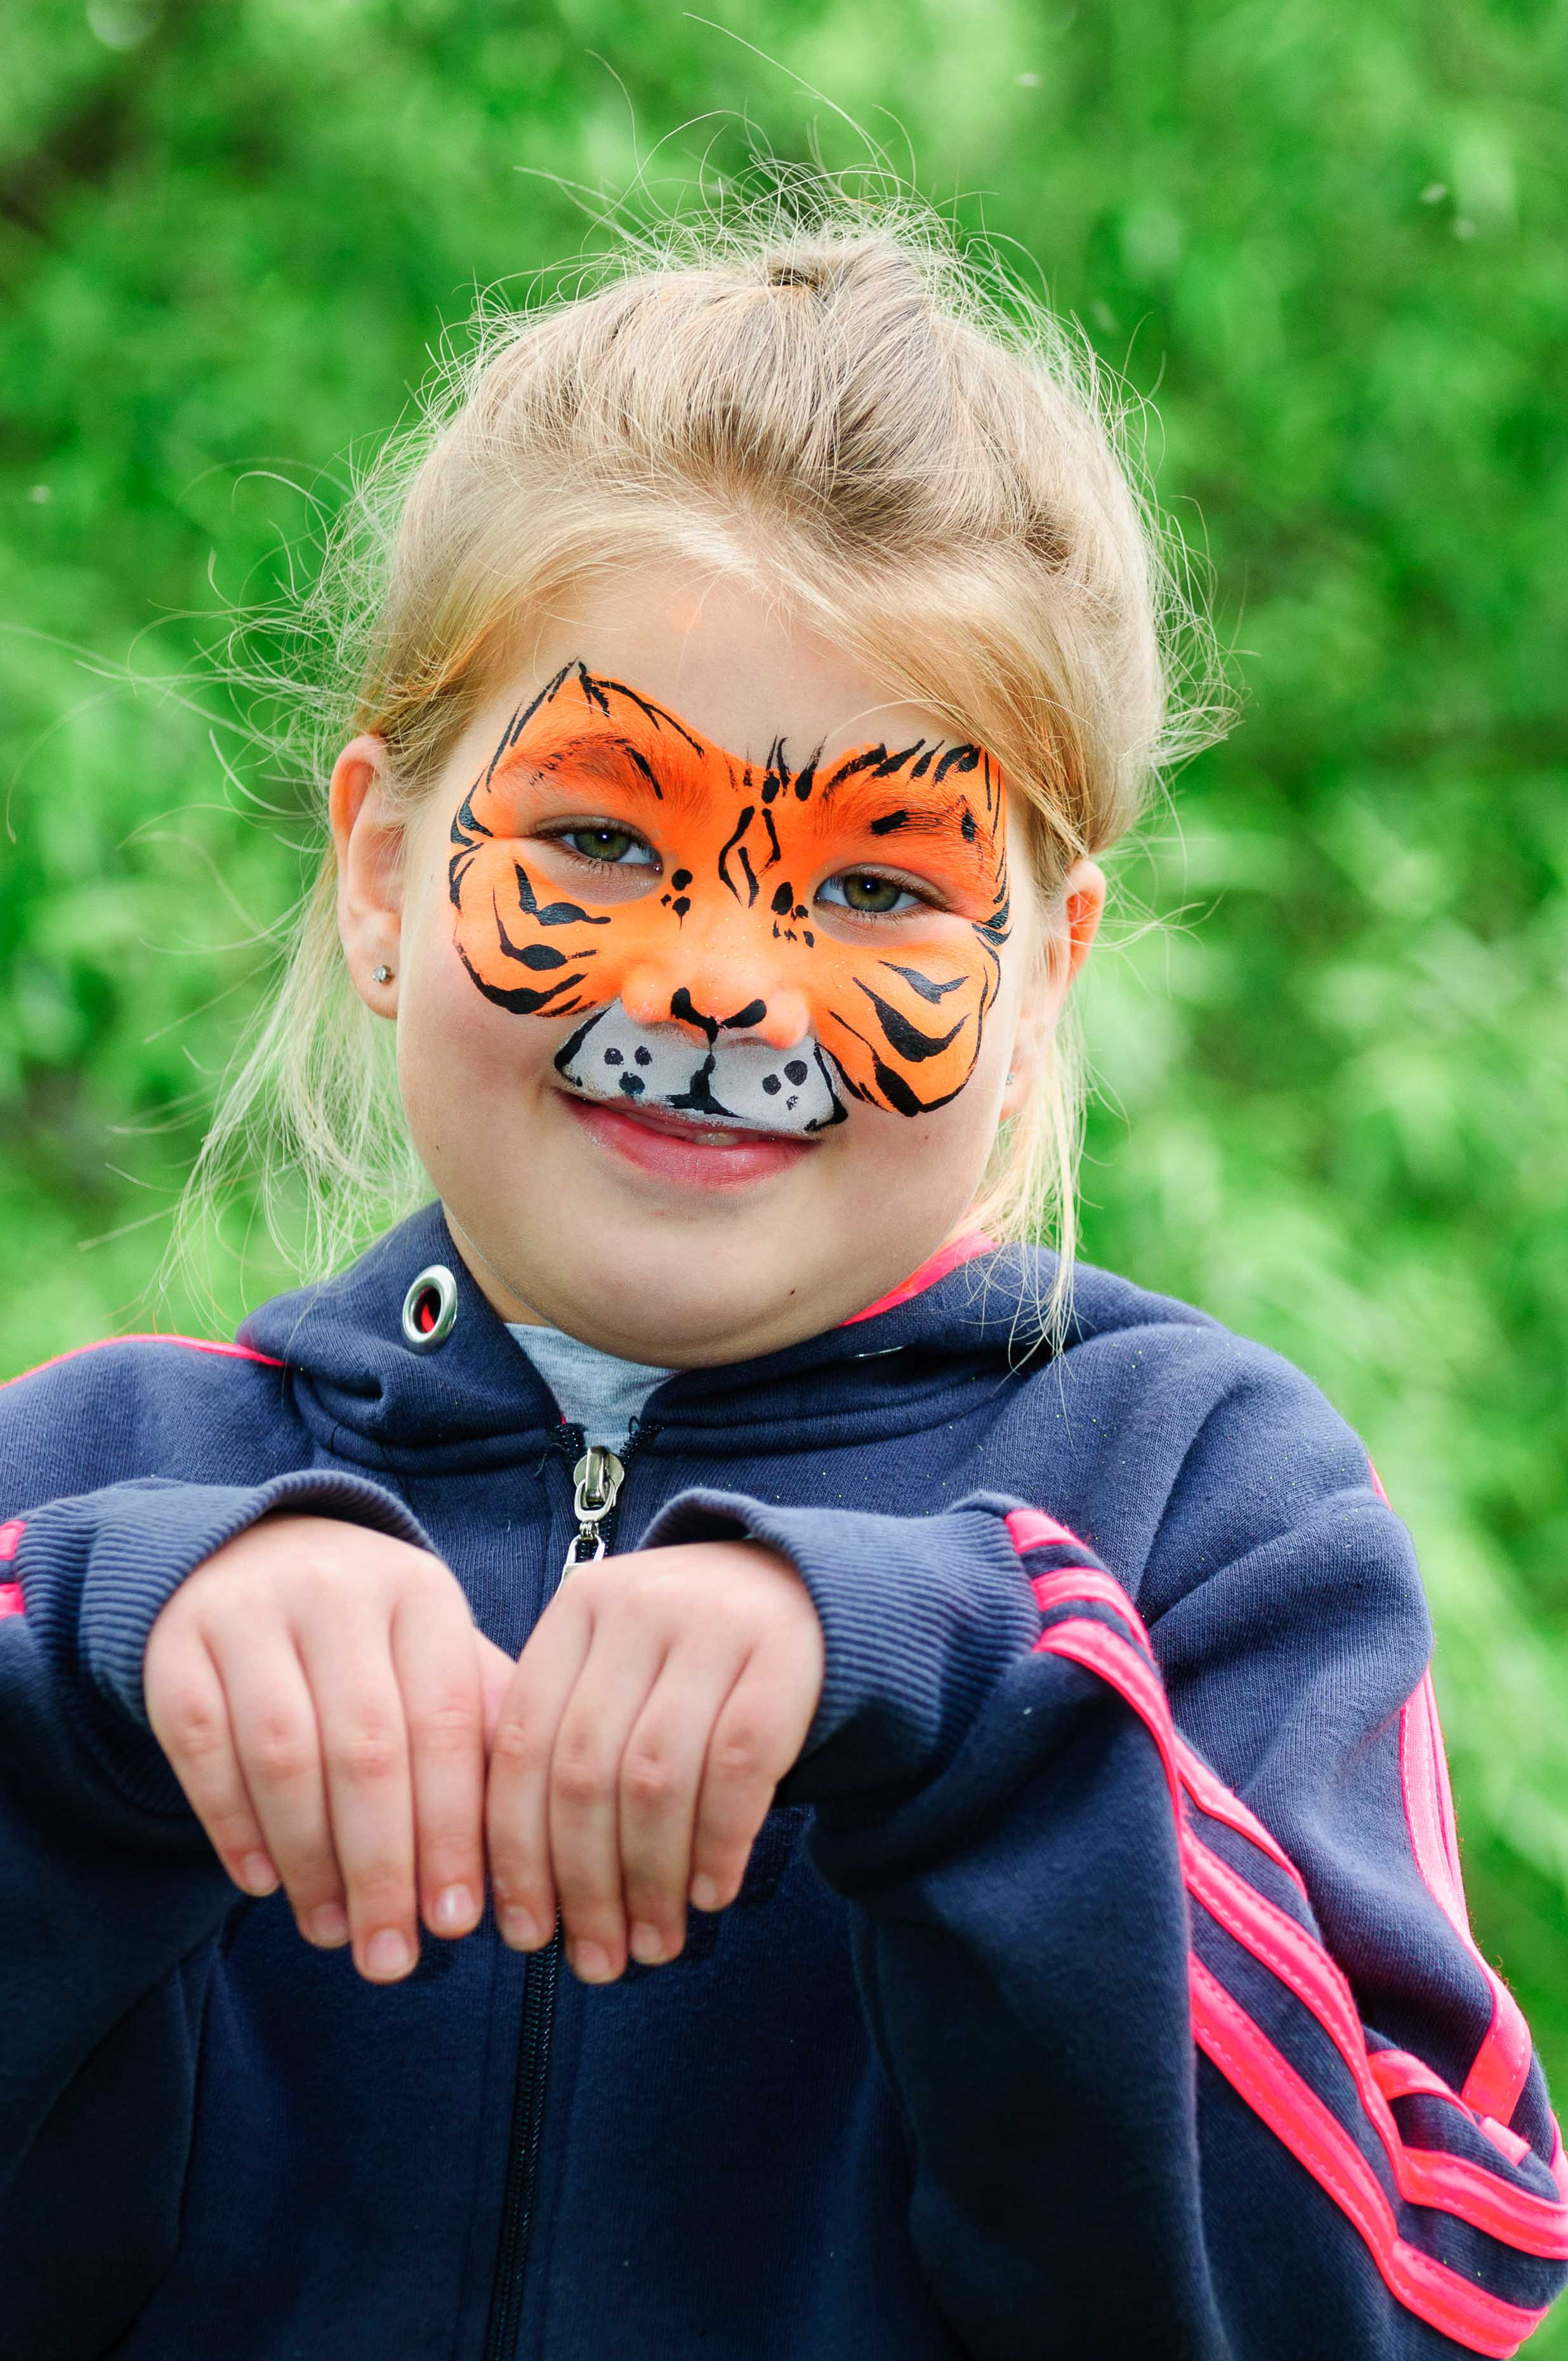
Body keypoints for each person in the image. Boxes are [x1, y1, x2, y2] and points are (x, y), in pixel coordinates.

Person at [1, 211, 1562, 2361]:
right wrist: (77, 1701)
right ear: (380, 874)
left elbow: (1417, 2286)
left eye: (874, 888)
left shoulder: (1211, 1508)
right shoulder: (85, 1488)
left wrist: (992, 1706)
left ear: (1041, 984)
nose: (726, 981)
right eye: (606, 843)